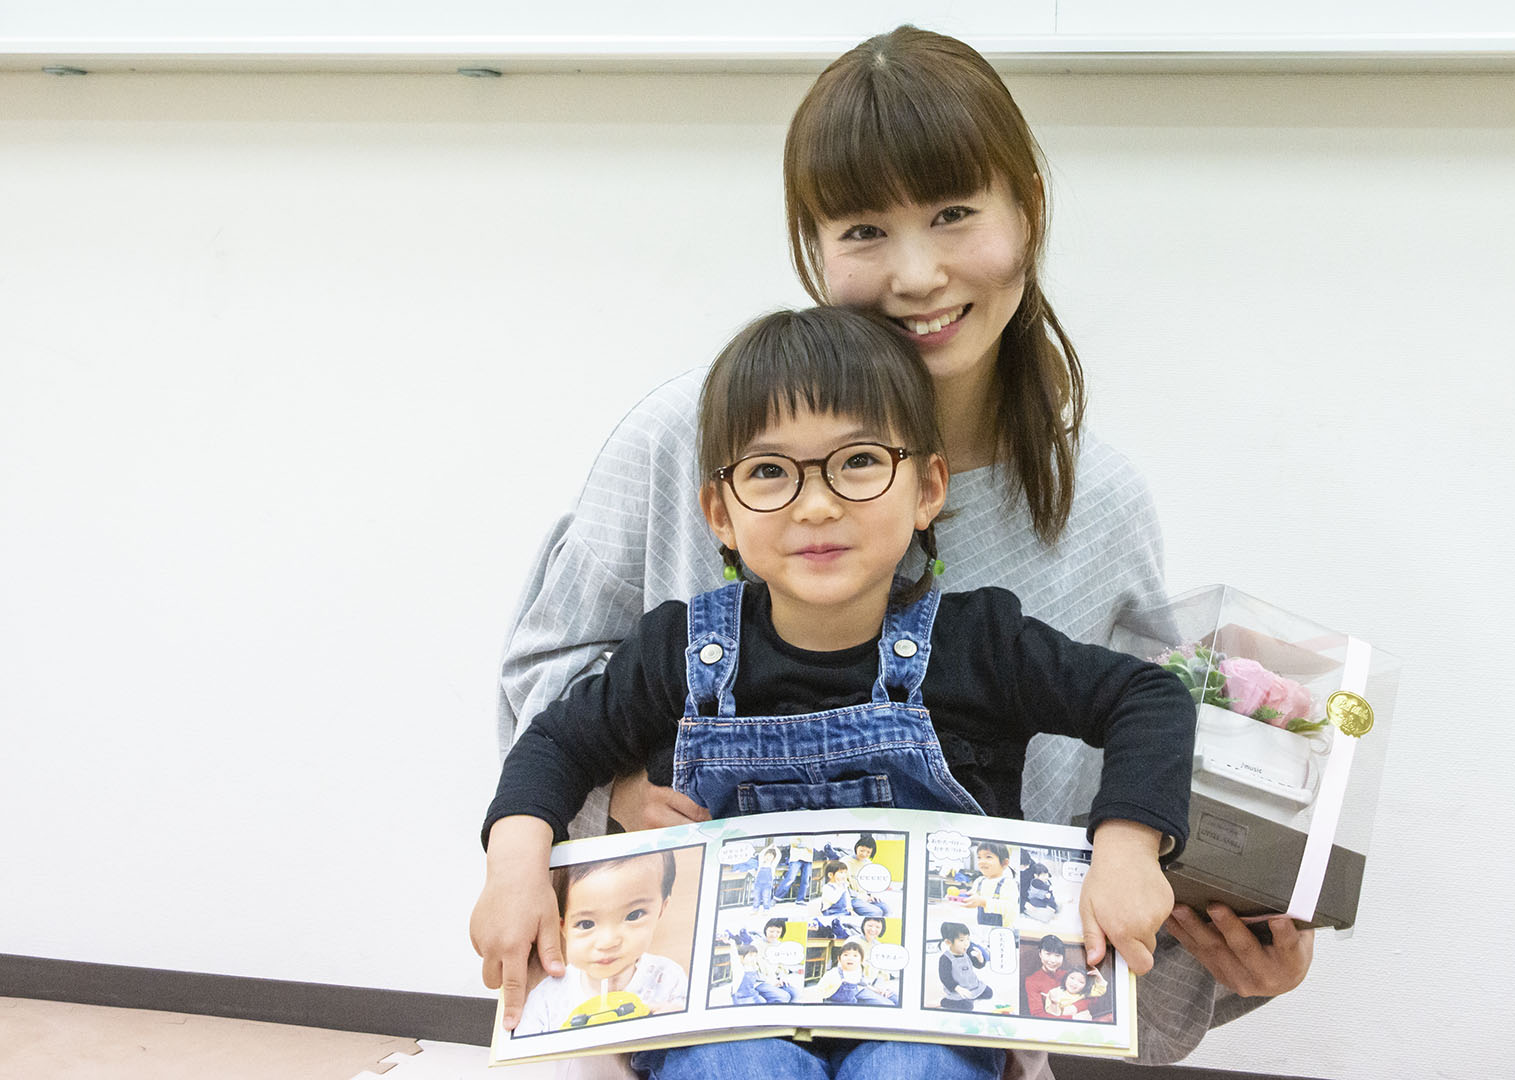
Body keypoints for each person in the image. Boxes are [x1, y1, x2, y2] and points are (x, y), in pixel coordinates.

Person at [490, 23, 1312, 1070]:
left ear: (1029, 210)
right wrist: (616, 793)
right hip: (710, 996)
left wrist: (1232, 924)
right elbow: (546, 689)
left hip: (949, 1014)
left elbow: (1117, 783)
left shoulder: (1095, 501)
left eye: (955, 213)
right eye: (865, 230)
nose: (917, 274)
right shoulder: (687, 437)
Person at [473, 306, 1193, 1079]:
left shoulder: (984, 643)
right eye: (769, 472)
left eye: (858, 462)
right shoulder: (680, 649)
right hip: (727, 1013)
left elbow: (1147, 697)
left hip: (933, 1015)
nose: (815, 504)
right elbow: (555, 742)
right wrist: (514, 868)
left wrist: (1128, 847)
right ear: (720, 513)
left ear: (927, 489)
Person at [517, 852, 689, 1035]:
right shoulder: (547, 999)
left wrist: (678, 1020)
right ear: (563, 927)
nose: (608, 942)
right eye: (586, 924)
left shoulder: (668, 978)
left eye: (633, 915)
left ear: (661, 909)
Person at [935, 922, 995, 1011]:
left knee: (989, 993)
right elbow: (945, 978)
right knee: (967, 1006)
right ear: (948, 942)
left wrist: (980, 958)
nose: (966, 943)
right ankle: (945, 1002)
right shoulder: (945, 958)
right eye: (962, 940)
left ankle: (971, 996)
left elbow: (978, 965)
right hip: (957, 990)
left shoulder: (967, 952)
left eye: (968, 939)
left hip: (974, 986)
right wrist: (957, 988)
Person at [962, 843, 1019, 928]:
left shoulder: (1008, 883)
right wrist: (962, 896)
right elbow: (974, 898)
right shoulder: (979, 881)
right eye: (979, 857)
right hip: (982, 928)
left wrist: (984, 902)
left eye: (988, 857)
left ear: (1004, 863)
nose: (982, 861)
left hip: (1002, 930)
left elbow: (1010, 908)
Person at [729, 941, 794, 1006]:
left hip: (753, 994)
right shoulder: (739, 968)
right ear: (740, 957)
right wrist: (732, 943)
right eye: (750, 956)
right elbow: (734, 957)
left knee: (764, 1002)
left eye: (755, 956)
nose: (753, 958)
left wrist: (773, 983)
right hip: (742, 997)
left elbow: (760, 978)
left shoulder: (753, 967)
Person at [1022, 935, 1068, 1018]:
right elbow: (1038, 1014)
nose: (1053, 960)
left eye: (1057, 955)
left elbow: (1088, 999)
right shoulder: (1032, 981)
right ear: (1040, 954)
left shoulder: (1069, 976)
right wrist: (1071, 1018)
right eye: (1048, 954)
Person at [1042, 968, 1107, 1020]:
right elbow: (1051, 1013)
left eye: (1081, 982)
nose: (1074, 983)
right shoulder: (1055, 992)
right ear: (1066, 978)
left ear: (1086, 986)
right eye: (1072, 978)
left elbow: (1099, 991)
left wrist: (1099, 977)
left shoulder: (1083, 993)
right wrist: (1054, 1003)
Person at [751, 845, 779, 911]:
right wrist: (768, 847)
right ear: (764, 856)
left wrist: (775, 848)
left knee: (766, 896)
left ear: (773, 858)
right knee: (756, 896)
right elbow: (761, 853)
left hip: (767, 884)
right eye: (767, 855)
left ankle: (766, 909)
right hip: (758, 883)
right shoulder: (761, 863)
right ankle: (755, 908)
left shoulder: (773, 865)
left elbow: (779, 855)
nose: (768, 857)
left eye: (771, 856)